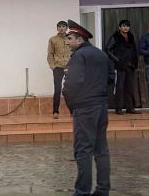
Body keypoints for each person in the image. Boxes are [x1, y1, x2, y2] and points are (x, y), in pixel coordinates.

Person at [62, 19, 112, 196]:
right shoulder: (101, 54)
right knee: (101, 150)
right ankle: (102, 189)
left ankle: (82, 192)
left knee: (83, 151)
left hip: (84, 108)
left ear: (80, 40)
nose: (67, 43)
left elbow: (70, 85)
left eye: (69, 39)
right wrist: (102, 98)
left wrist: (72, 107)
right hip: (100, 106)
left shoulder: (79, 56)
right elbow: (111, 79)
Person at [104, 20, 140, 115]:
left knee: (129, 88)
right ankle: (118, 108)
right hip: (119, 66)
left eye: (127, 26)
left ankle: (130, 108)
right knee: (119, 88)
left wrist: (134, 62)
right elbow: (107, 49)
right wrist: (117, 59)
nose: (126, 28)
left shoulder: (131, 36)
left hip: (130, 65)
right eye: (123, 26)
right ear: (119, 27)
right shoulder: (115, 37)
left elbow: (134, 50)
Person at [47, 20, 72, 119]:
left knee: (70, 90)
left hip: (70, 67)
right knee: (57, 90)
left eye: (63, 26)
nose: (61, 28)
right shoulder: (53, 39)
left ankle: (72, 111)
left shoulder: (71, 38)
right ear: (57, 28)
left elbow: (75, 51)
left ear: (66, 28)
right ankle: (55, 111)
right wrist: (53, 66)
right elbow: (50, 54)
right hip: (58, 67)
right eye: (60, 26)